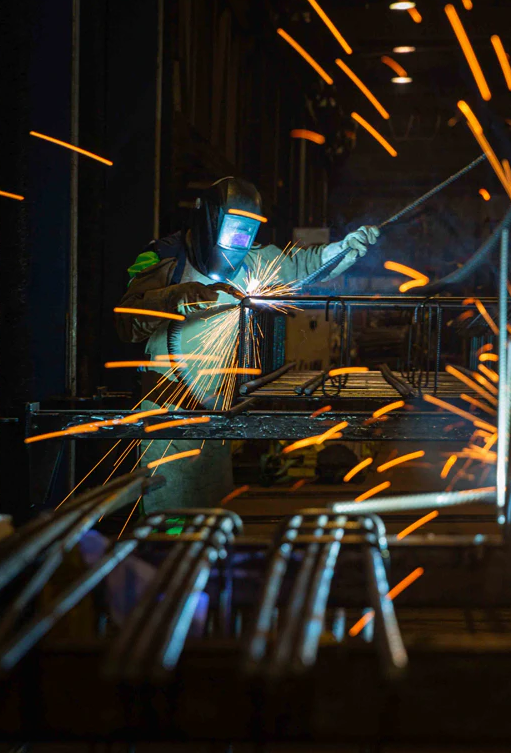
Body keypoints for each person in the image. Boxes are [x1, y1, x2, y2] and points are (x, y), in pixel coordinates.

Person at [114, 176, 379, 509]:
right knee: (169, 522)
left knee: (211, 520)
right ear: (211, 221)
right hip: (168, 418)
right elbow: (126, 323)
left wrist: (345, 249)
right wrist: (172, 297)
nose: (238, 243)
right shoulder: (164, 259)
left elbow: (303, 266)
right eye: (232, 231)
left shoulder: (252, 260)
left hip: (216, 417)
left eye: (246, 233)